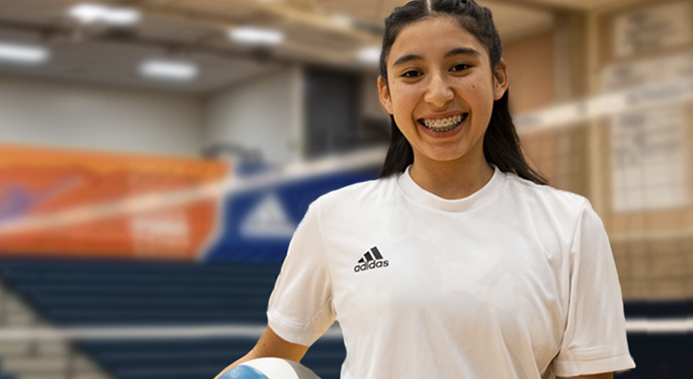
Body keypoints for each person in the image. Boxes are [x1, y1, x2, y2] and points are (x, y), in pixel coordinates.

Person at [215, 0, 634, 377]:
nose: (438, 94)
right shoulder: (334, 217)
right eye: (412, 73)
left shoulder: (570, 223)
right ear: (386, 94)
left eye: (460, 67)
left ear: (499, 78)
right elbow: (269, 359)